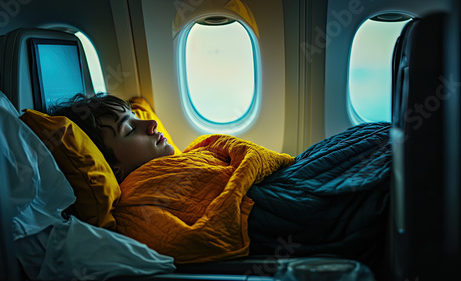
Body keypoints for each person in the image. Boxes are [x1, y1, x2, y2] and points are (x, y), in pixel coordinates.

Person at [51, 93, 392, 274]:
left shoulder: (169, 164)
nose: (151, 124)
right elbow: (184, 240)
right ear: (115, 170)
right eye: (130, 129)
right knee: (382, 152)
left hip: (283, 178)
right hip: (271, 204)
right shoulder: (138, 198)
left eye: (138, 117)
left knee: (374, 136)